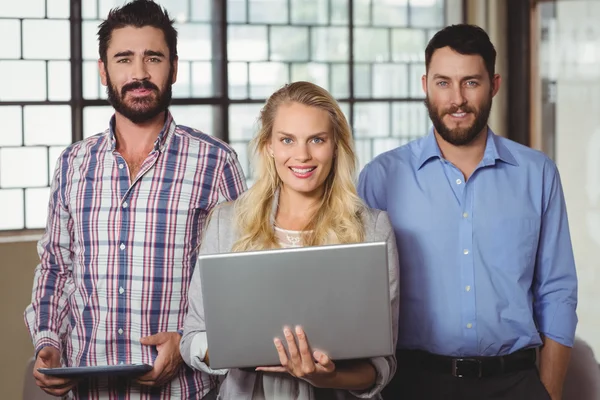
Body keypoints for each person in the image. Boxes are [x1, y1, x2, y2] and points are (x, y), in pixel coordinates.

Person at [23, 1, 246, 399]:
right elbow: (55, 268)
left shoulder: (215, 162)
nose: (139, 74)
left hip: (187, 390)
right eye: (124, 59)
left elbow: (239, 281)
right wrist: (47, 343)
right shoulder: (73, 163)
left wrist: (186, 343)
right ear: (103, 70)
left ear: (174, 68)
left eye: (153, 58)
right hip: (89, 389)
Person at [358, 24, 578, 400]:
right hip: (412, 384)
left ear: (493, 85)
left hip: (517, 383)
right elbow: (362, 292)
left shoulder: (538, 174)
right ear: (425, 84)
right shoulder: (381, 177)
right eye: (443, 83)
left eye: (470, 83)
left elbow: (557, 290)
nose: (456, 99)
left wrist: (550, 393)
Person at [180, 81, 400, 399]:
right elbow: (193, 339)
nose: (302, 155)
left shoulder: (373, 229)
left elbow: (382, 364)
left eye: (317, 140)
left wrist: (331, 377)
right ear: (269, 145)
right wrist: (240, 350)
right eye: (287, 139)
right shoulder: (227, 223)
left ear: (336, 144)